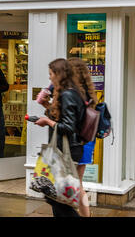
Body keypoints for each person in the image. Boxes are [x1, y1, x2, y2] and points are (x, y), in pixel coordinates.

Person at [34, 58, 86, 217]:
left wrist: (47, 121)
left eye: (51, 74)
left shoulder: (68, 94)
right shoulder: (69, 92)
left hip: (67, 150)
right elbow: (63, 118)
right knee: (54, 196)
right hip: (64, 150)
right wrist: (47, 108)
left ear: (58, 74)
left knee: (56, 198)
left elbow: (68, 127)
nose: (49, 77)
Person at [68, 57, 98, 217]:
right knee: (78, 183)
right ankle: (86, 214)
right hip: (87, 141)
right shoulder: (88, 92)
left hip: (76, 143)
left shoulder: (73, 94)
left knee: (74, 184)